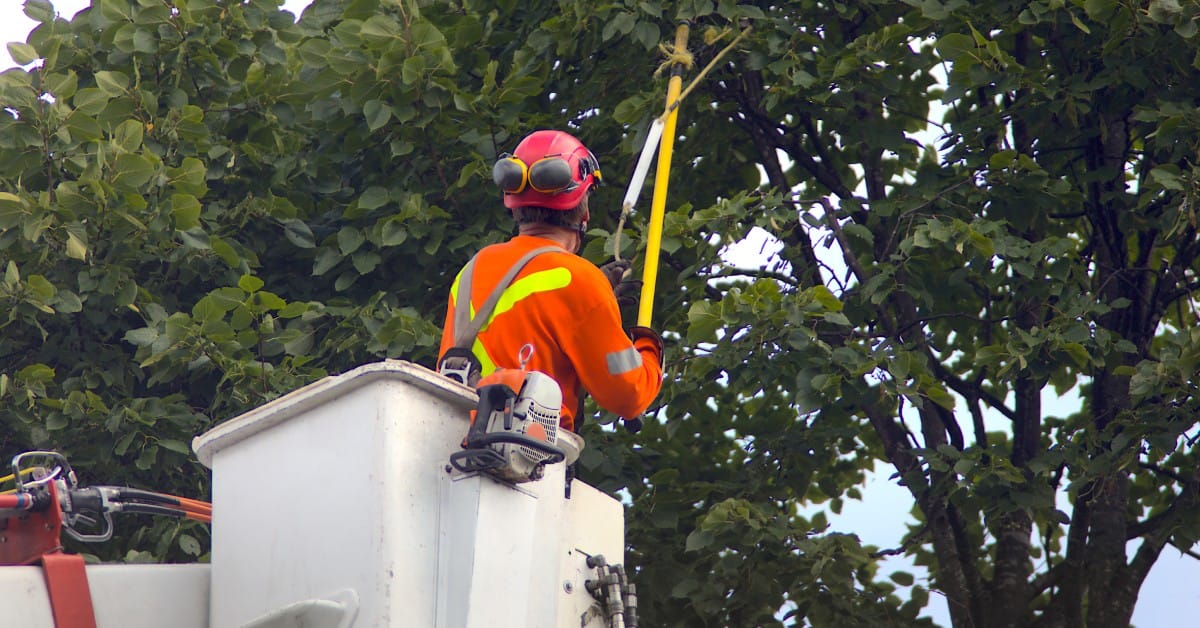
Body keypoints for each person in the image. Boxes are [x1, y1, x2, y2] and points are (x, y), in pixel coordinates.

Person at [438, 129, 663, 432]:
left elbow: (523, 316)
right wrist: (649, 350)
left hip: (454, 446)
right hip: (530, 460)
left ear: (514, 203)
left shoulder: (471, 271)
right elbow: (628, 395)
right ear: (583, 211)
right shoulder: (578, 281)